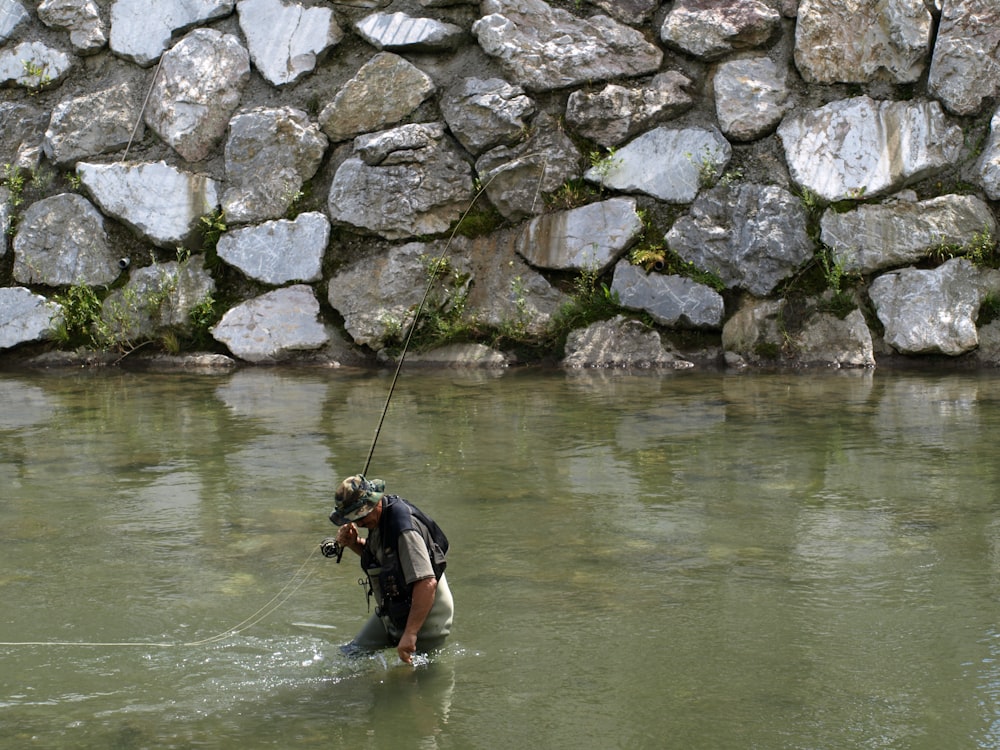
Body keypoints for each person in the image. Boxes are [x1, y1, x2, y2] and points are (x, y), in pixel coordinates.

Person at [324, 475, 453, 664]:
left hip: (427, 616)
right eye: (353, 518)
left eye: (360, 516)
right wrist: (354, 543)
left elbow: (427, 582)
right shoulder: (379, 518)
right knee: (349, 656)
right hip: (395, 609)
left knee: (414, 678)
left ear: (374, 502)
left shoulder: (404, 530)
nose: (358, 523)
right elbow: (387, 561)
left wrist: (410, 634)